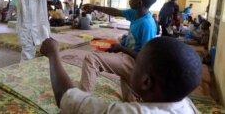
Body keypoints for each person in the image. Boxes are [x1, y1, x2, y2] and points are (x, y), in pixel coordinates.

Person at [40, 37, 202, 114]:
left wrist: (53, 53)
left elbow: (66, 97)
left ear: (146, 82)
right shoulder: (186, 105)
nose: (132, 65)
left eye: (137, 65)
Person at [80, 0, 158, 101]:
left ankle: (81, 101)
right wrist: (95, 7)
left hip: (137, 64)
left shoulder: (147, 24)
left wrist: (122, 48)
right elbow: (116, 12)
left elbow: (145, 58)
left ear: (139, 2)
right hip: (130, 61)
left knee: (91, 59)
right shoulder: (136, 13)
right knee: (130, 100)